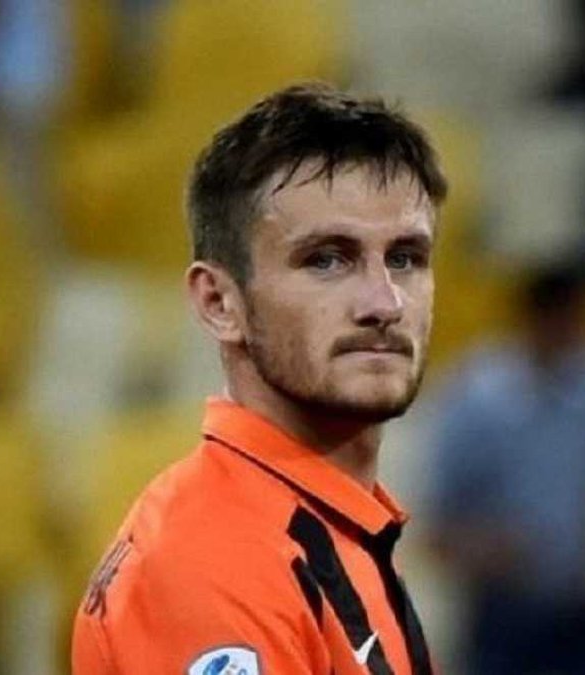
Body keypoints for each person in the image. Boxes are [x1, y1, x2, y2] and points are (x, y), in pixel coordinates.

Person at [71, 83, 445, 675]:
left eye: (405, 258)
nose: (384, 302)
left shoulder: (327, 530)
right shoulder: (211, 560)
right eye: (327, 259)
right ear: (220, 302)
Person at [427, 264, 585, 675]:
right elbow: (439, 526)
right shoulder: (476, 398)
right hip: (504, 612)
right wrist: (487, 547)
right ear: (535, 318)